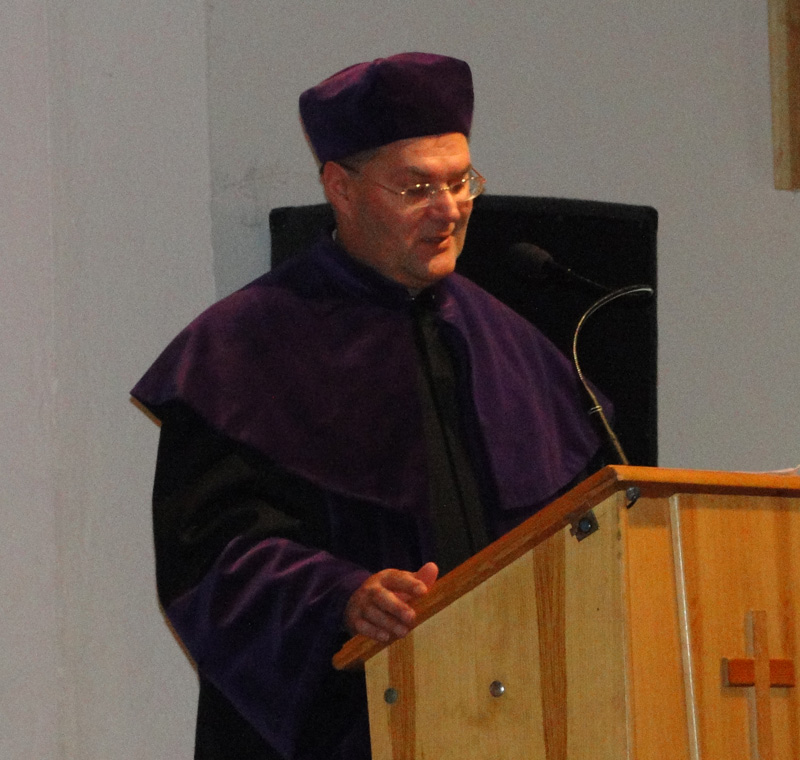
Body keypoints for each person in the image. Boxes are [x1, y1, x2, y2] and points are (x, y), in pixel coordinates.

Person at [132, 53, 604, 760]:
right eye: (417, 187)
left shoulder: (515, 348)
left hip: (506, 723)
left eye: (460, 182)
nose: (449, 210)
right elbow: (211, 560)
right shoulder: (240, 350)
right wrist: (339, 597)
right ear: (340, 189)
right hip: (338, 725)